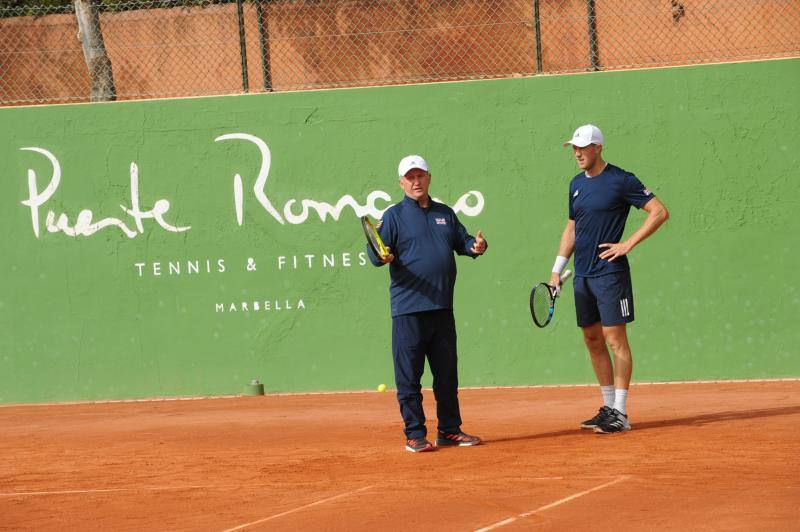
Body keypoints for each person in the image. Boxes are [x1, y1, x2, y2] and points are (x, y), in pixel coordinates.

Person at [551, 125, 669, 434]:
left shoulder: (621, 180)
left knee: (615, 339)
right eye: (574, 147)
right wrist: (556, 270)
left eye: (583, 147)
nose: (577, 152)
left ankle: (621, 411)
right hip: (583, 275)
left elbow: (658, 212)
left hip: (610, 274)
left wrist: (628, 243)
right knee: (592, 339)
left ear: (598, 148)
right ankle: (607, 406)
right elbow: (572, 229)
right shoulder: (576, 184)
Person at [368, 155, 487, 452]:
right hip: (408, 310)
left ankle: (449, 430)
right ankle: (415, 434)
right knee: (409, 378)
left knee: (447, 376)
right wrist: (382, 256)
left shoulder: (445, 214)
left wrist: (476, 246)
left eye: (420, 175)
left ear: (429, 177)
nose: (416, 181)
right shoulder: (393, 217)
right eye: (410, 177)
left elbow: (465, 242)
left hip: (442, 309)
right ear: (401, 183)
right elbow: (375, 253)